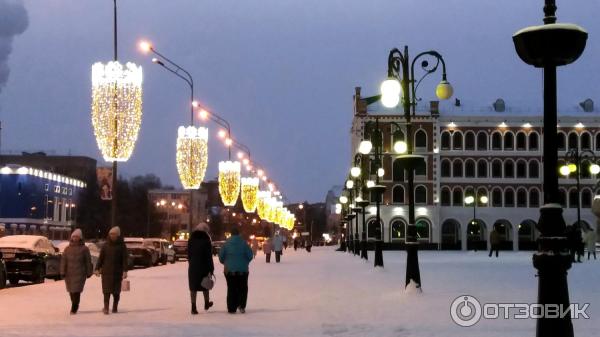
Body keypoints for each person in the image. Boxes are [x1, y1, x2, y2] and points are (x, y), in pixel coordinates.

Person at [218, 227, 253, 314]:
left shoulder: (226, 244)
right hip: (243, 270)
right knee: (243, 288)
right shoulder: (244, 243)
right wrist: (245, 262)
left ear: (231, 234)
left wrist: (226, 263)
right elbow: (250, 255)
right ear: (238, 234)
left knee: (231, 288)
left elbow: (221, 257)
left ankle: (231, 307)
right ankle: (241, 305)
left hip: (230, 270)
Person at [95, 226, 129, 315]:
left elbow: (125, 259)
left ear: (118, 235)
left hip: (117, 272)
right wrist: (97, 268)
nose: (112, 236)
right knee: (106, 291)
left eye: (114, 234)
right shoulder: (105, 245)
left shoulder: (122, 246)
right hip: (106, 272)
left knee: (116, 292)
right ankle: (106, 307)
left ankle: (115, 307)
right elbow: (101, 258)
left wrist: (125, 271)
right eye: (111, 234)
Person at [60, 229, 93, 314]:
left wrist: (89, 272)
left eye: (77, 236)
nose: (75, 238)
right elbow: (64, 261)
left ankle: (74, 307)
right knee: (71, 291)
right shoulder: (67, 249)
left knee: (76, 291)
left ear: (80, 238)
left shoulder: (84, 249)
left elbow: (88, 261)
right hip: (69, 274)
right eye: (74, 236)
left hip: (80, 273)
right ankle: (74, 304)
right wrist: (62, 271)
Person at [187, 223, 214, 315]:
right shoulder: (206, 240)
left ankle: (193, 307)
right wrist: (211, 268)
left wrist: (191, 263)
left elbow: (189, 253)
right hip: (204, 265)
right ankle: (206, 303)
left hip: (193, 266)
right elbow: (209, 256)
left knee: (193, 287)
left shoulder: (191, 239)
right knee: (205, 284)